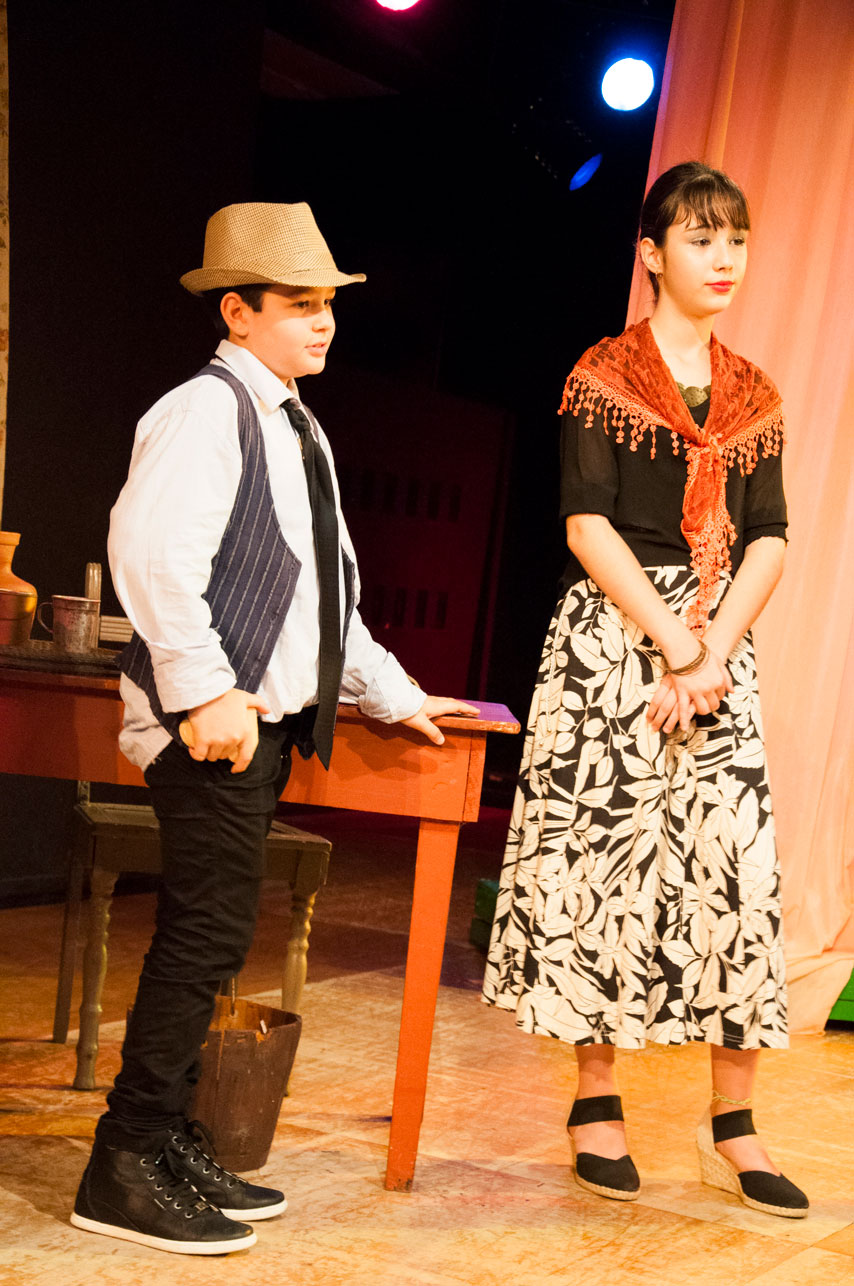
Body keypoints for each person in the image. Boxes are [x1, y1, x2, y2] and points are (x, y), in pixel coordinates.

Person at [71, 201, 478, 1255]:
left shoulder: (294, 422)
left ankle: (166, 1139)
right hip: (215, 723)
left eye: (327, 302)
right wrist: (205, 691)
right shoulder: (204, 411)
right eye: (299, 303)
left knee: (215, 938)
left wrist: (393, 692)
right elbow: (151, 557)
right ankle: (122, 1161)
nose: (323, 320)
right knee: (201, 934)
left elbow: (318, 597)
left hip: (255, 721)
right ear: (236, 310)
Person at [482, 162, 808, 1218]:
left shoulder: (754, 392)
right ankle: (595, 1100)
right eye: (700, 238)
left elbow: (768, 535)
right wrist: (672, 642)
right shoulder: (602, 374)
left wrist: (711, 650)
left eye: (736, 238)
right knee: (603, 867)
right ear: (651, 253)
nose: (723, 258)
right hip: (617, 637)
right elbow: (585, 524)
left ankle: (734, 1123)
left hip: (715, 642)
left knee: (730, 873)